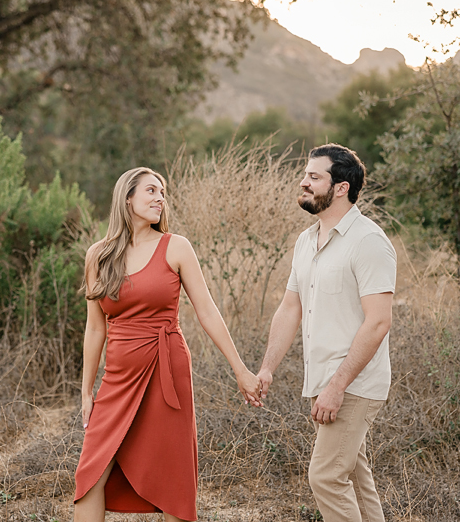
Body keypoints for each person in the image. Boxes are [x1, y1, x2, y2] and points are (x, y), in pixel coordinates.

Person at [73, 167, 262, 522]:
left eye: (163, 192)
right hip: (117, 378)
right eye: (151, 191)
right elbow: (95, 329)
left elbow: (207, 311)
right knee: (90, 474)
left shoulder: (176, 246)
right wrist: (86, 391)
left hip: (166, 370)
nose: (160, 198)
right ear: (127, 197)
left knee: (173, 476)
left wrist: (241, 370)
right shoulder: (97, 255)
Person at [256, 144, 396, 522]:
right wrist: (268, 367)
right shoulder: (306, 241)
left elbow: (378, 322)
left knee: (326, 477)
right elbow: (290, 308)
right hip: (325, 381)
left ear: (340, 188)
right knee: (355, 477)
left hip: (354, 383)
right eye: (305, 174)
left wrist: (337, 386)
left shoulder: (368, 242)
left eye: (314, 177)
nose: (303, 182)